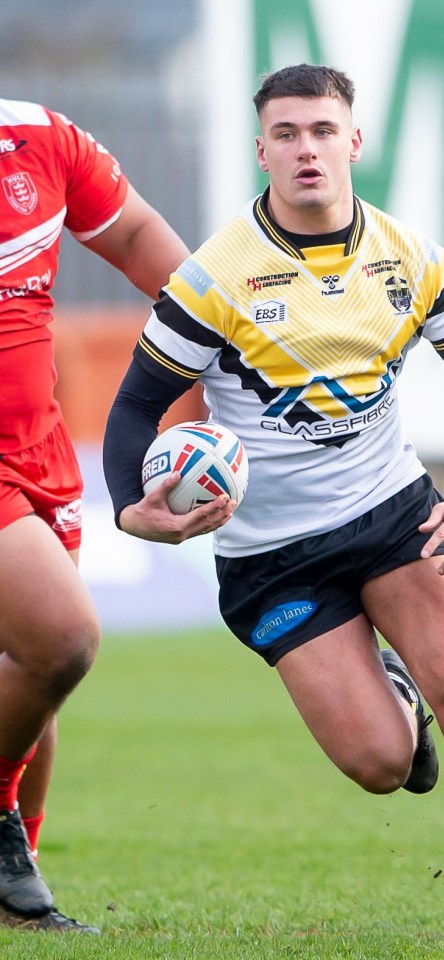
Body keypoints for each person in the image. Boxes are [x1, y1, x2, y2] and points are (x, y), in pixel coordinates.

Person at [102, 64, 444, 956]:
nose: (305, 149)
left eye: (321, 131)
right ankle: (392, 692)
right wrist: (130, 512)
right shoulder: (214, 279)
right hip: (274, 555)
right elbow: (130, 409)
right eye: (286, 134)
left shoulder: (413, 260)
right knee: (383, 764)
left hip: (394, 514)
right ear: (262, 148)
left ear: (354, 140)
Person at [0, 96, 190, 933]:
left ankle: (18, 883)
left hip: (40, 455)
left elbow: (138, 238)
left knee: (31, 674)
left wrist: (218, 338)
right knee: (61, 638)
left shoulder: (41, 137)